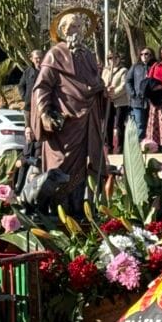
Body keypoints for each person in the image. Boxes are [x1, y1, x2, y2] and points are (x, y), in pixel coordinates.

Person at [32, 12, 109, 210]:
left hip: (87, 122)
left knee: (81, 169)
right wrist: (44, 113)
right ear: (63, 31)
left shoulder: (89, 55)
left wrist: (101, 88)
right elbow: (42, 87)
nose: (75, 31)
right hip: (65, 123)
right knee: (60, 166)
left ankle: (77, 210)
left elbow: (92, 82)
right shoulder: (54, 55)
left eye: (78, 27)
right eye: (71, 27)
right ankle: (56, 210)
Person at [102, 53, 130, 154]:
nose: (112, 60)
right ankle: (109, 146)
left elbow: (123, 86)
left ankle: (120, 146)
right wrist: (106, 91)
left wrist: (113, 94)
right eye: (110, 58)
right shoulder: (105, 71)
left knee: (119, 125)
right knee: (108, 123)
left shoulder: (124, 70)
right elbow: (102, 83)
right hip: (108, 101)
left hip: (120, 102)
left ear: (118, 59)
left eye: (114, 57)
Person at [126, 49, 150, 139]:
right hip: (137, 101)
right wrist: (133, 94)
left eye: (146, 54)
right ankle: (139, 145)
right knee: (139, 123)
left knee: (150, 124)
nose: (144, 55)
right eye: (141, 54)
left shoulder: (154, 66)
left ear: (151, 55)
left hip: (151, 101)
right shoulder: (135, 67)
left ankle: (150, 146)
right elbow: (128, 81)